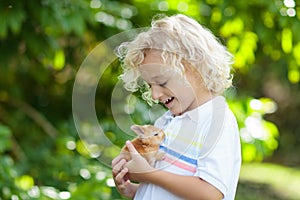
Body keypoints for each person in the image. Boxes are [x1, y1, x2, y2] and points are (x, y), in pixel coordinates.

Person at [112, 14, 241, 200]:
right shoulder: (165, 122)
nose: (155, 95)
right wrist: (133, 190)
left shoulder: (217, 121)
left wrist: (148, 174)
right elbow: (162, 190)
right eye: (150, 86)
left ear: (195, 67)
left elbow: (211, 193)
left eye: (162, 82)